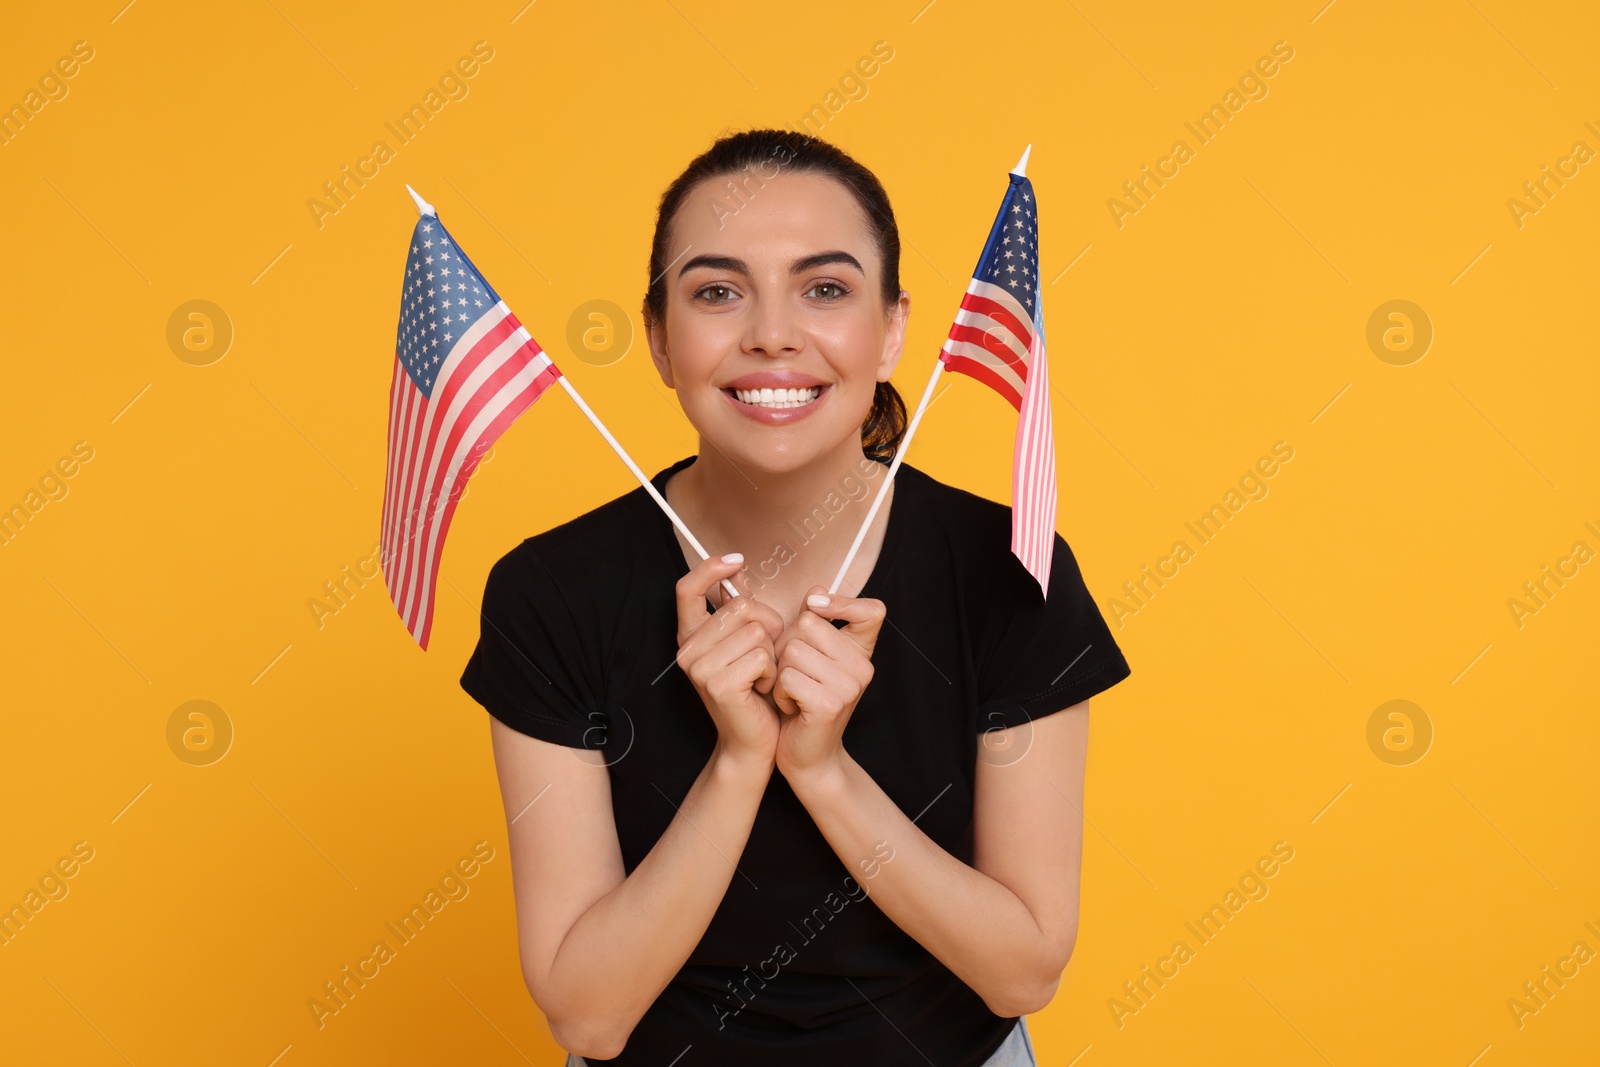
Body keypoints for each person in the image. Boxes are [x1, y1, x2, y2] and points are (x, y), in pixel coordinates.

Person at [459, 128, 1132, 1066]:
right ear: (658, 338)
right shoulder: (552, 591)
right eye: (717, 291)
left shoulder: (1009, 569)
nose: (772, 332)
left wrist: (823, 771)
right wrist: (739, 762)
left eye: (824, 288)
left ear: (893, 329)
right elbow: (588, 1014)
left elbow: (1021, 973)